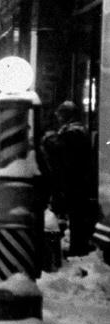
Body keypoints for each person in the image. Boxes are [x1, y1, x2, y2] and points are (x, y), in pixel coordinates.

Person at [47, 101, 98, 256]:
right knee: (75, 216)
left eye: (60, 114)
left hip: (74, 182)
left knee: (77, 217)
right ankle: (77, 246)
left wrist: (49, 140)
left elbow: (62, 151)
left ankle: (78, 248)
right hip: (75, 182)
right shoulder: (76, 131)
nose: (58, 117)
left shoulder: (74, 132)